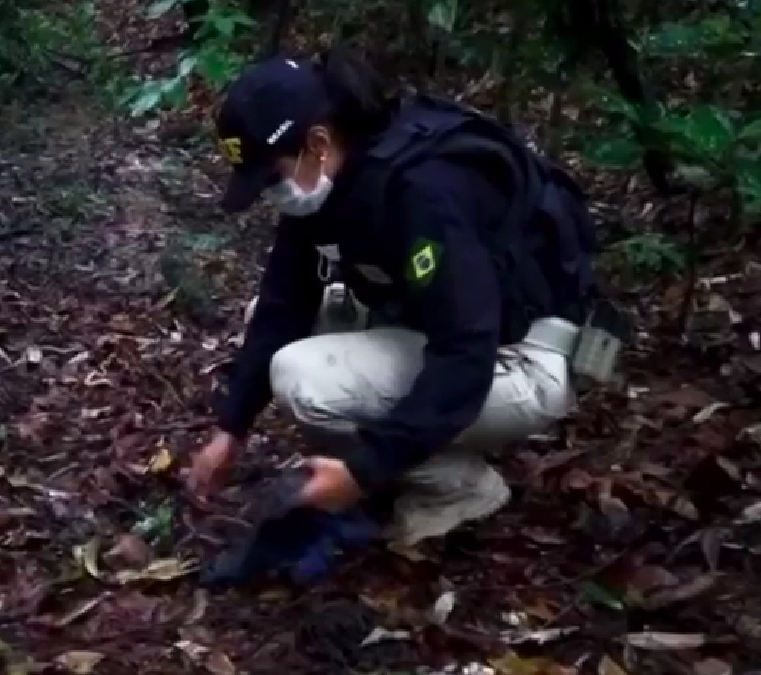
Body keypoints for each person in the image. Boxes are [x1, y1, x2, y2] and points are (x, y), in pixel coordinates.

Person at [186, 47, 617, 547]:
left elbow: (464, 350)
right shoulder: (336, 181)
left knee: (303, 376)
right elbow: (285, 303)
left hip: (528, 357)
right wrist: (230, 429)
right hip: (460, 329)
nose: (272, 194)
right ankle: (415, 456)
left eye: (274, 177)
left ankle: (461, 488)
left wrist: (363, 469)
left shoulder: (421, 191)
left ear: (319, 141)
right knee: (267, 323)